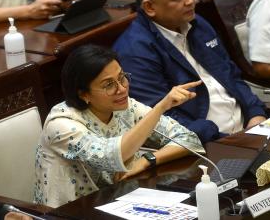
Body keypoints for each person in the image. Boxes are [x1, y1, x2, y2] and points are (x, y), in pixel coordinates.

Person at [33, 45, 204, 208]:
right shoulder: (61, 124)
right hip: (68, 213)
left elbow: (189, 140)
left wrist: (147, 160)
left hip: (115, 203)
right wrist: (160, 107)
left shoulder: (126, 107)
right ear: (84, 94)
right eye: (109, 85)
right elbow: (111, 157)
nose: (122, 89)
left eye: (122, 77)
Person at [113, 0, 267, 144]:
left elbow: (231, 75)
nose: (190, 1)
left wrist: (256, 114)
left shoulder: (198, 23)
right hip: (207, 144)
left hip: (250, 129)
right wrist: (226, 140)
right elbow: (160, 118)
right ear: (149, 7)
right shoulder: (134, 51)